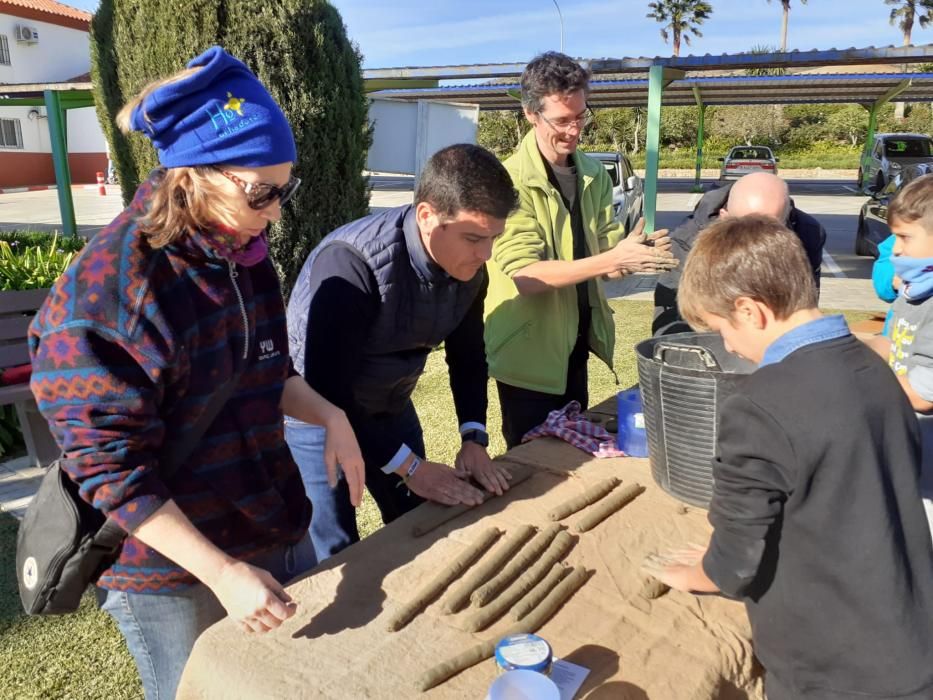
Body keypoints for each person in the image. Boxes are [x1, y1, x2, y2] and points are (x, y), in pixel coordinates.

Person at [28, 46, 365, 699]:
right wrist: (222, 572)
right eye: (263, 192)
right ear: (192, 176)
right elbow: (110, 471)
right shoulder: (106, 297)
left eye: (284, 189)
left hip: (268, 518)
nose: (276, 211)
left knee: (285, 683)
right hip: (170, 571)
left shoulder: (242, 251)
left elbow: (265, 370)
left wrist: (329, 413)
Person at [643, 215, 933, 699]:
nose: (729, 345)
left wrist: (707, 570)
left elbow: (734, 562)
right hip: (907, 636)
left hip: (829, 667)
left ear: (751, 311)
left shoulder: (758, 406)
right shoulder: (877, 368)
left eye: (721, 330)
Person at [286, 144, 518, 561]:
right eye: (473, 238)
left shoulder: (469, 269)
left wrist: (473, 437)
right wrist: (410, 467)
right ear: (428, 216)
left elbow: (467, 356)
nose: (486, 255)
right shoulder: (350, 265)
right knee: (336, 552)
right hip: (317, 419)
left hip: (390, 403)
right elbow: (328, 391)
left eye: (493, 239)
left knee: (419, 524)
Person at [485, 51, 677, 449]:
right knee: (533, 465)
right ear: (530, 114)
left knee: (575, 456)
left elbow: (607, 261)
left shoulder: (593, 173)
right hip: (528, 356)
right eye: (561, 120)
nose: (574, 131)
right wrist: (613, 258)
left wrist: (633, 253)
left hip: (577, 344)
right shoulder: (506, 182)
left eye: (580, 116)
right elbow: (527, 275)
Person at [652, 171, 826, 336]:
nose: (755, 240)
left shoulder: (808, 234)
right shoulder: (687, 239)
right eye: (744, 229)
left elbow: (804, 305)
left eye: (769, 230)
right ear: (724, 217)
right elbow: (673, 315)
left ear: (786, 219)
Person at [865, 174, 933, 539]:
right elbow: (894, 346)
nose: (896, 251)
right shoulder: (914, 291)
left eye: (905, 238)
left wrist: (858, 388)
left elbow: (924, 391)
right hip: (909, 444)